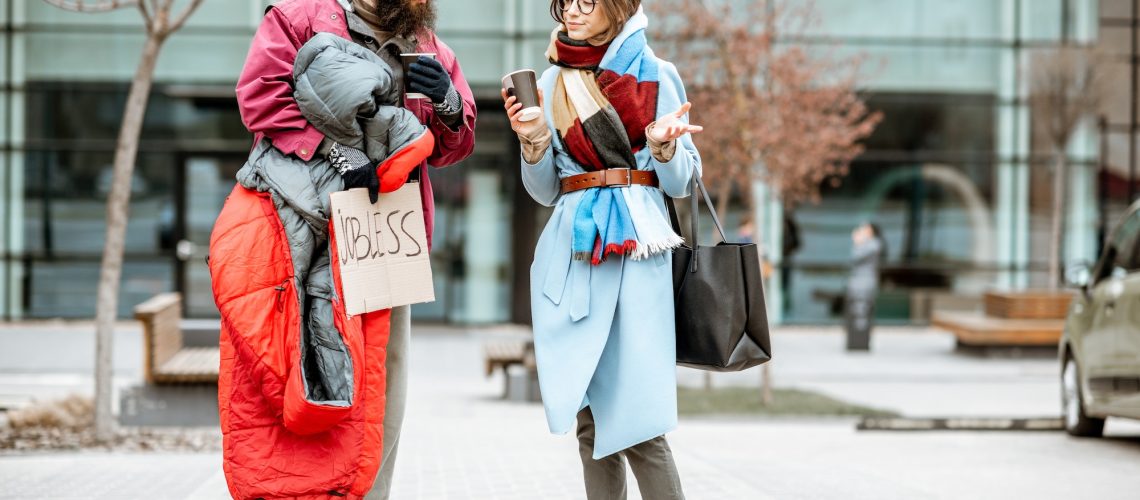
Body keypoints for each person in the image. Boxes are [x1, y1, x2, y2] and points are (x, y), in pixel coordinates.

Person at [222, 0, 475, 498]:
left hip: (385, 237)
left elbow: (456, 144)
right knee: (295, 371)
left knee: (382, 385)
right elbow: (259, 97)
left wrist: (448, 105)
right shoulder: (298, 18)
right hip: (301, 226)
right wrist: (334, 149)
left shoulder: (426, 44)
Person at [503, 1, 701, 498]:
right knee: (589, 421)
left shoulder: (657, 75)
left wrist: (664, 146)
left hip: (637, 253)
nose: (572, 10)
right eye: (565, 1)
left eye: (587, 1)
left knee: (640, 423)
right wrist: (532, 142)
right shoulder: (550, 85)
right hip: (575, 256)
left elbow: (681, 184)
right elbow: (546, 189)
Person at [845, 222, 886, 351]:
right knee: (855, 312)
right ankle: (857, 339)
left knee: (863, 312)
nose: (862, 231)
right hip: (856, 283)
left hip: (865, 284)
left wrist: (858, 242)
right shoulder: (868, 244)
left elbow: (855, 256)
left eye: (865, 228)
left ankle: (862, 340)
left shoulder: (874, 244)